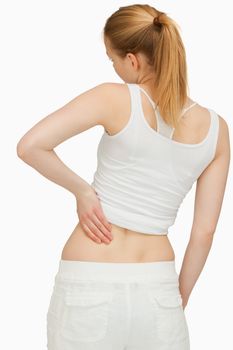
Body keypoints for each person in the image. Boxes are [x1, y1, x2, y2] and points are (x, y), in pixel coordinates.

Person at [16, 4, 230, 350]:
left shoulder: (113, 98)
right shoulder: (217, 130)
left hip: (90, 278)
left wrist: (82, 191)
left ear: (132, 60)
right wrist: (177, 299)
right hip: (158, 285)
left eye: (112, 59)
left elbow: (30, 146)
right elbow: (204, 233)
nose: (114, 69)